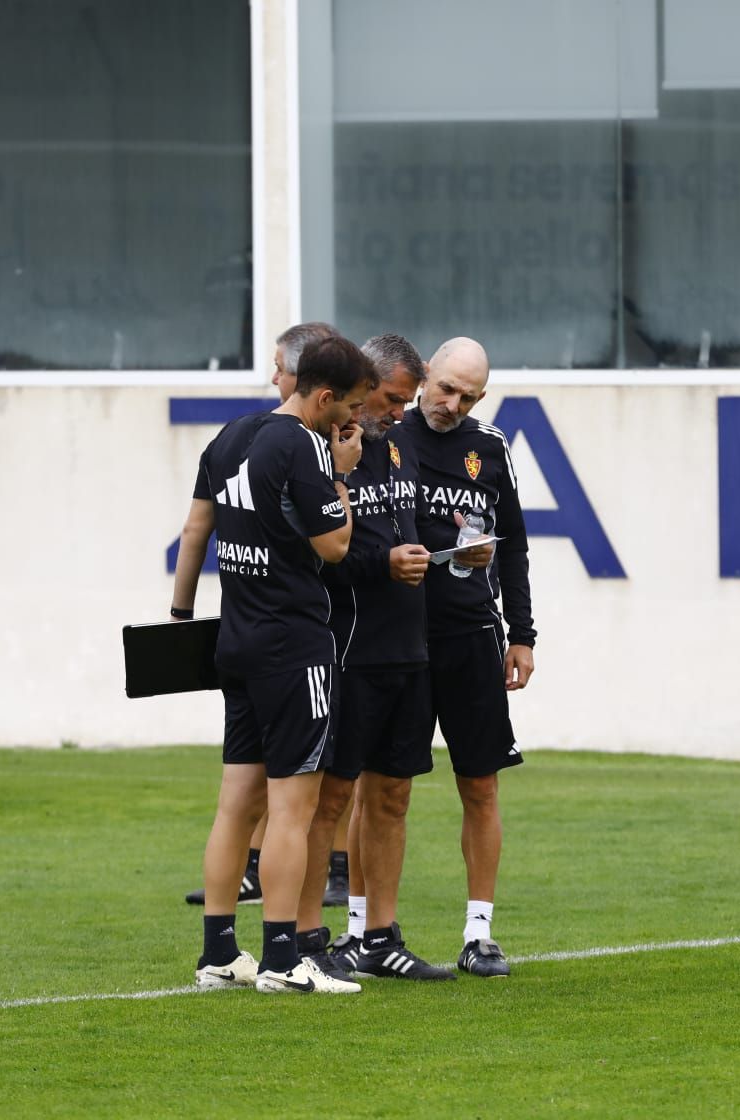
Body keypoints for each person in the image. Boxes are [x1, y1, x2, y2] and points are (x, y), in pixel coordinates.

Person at [178, 335, 376, 995]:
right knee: (294, 806)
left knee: (236, 804)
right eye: (346, 406)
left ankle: (218, 952)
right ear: (322, 396)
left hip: (235, 640)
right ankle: (285, 958)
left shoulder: (231, 436)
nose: (348, 421)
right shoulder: (305, 446)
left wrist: (180, 615)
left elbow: (194, 529)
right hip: (295, 646)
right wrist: (343, 472)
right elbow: (338, 544)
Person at [296, 333, 453, 981]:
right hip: (348, 650)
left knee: (392, 798)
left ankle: (379, 935)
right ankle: (305, 937)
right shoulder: (318, 452)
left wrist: (434, 555)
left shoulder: (398, 448)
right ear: (362, 387)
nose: (398, 411)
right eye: (391, 398)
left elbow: (401, 533)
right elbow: (314, 555)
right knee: (327, 802)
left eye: (406, 401)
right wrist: (381, 561)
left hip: (407, 650)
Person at [395, 337, 535, 977]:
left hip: (472, 633)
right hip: (394, 637)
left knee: (479, 784)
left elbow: (513, 549)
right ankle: (367, 930)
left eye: (469, 395)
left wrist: (522, 634)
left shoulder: (490, 448)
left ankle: (480, 934)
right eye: (446, 388)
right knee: (384, 788)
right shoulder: (383, 435)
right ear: (425, 374)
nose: (453, 404)